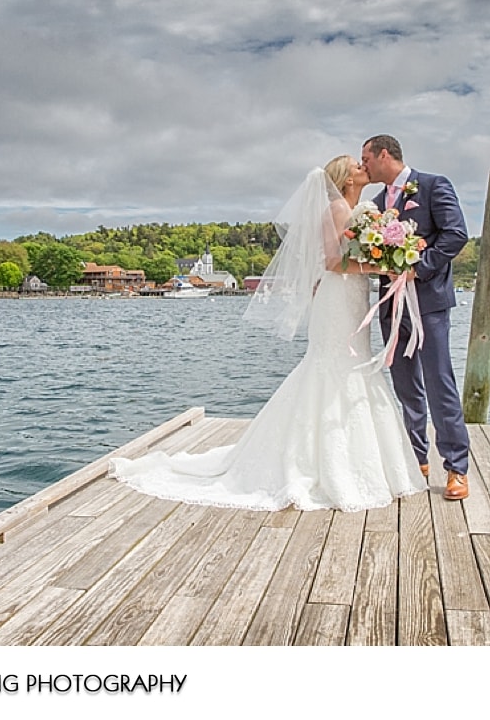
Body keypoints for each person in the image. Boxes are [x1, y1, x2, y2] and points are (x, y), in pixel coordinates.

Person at [108, 156, 426, 512]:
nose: (362, 167)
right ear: (345, 178)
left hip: (353, 296)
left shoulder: (360, 209)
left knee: (349, 365)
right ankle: (317, 460)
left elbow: (352, 254)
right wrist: (384, 264)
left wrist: (384, 253)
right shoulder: (336, 208)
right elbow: (333, 262)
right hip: (338, 299)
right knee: (332, 364)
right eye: (356, 165)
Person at [360, 134, 472, 501]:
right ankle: (416, 458)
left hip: (428, 303)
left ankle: (456, 467)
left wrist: (418, 267)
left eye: (367, 159)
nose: (364, 167)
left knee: (440, 383)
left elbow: (456, 235)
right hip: (392, 306)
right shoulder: (375, 204)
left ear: (384, 154)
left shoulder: (433, 186)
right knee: (406, 386)